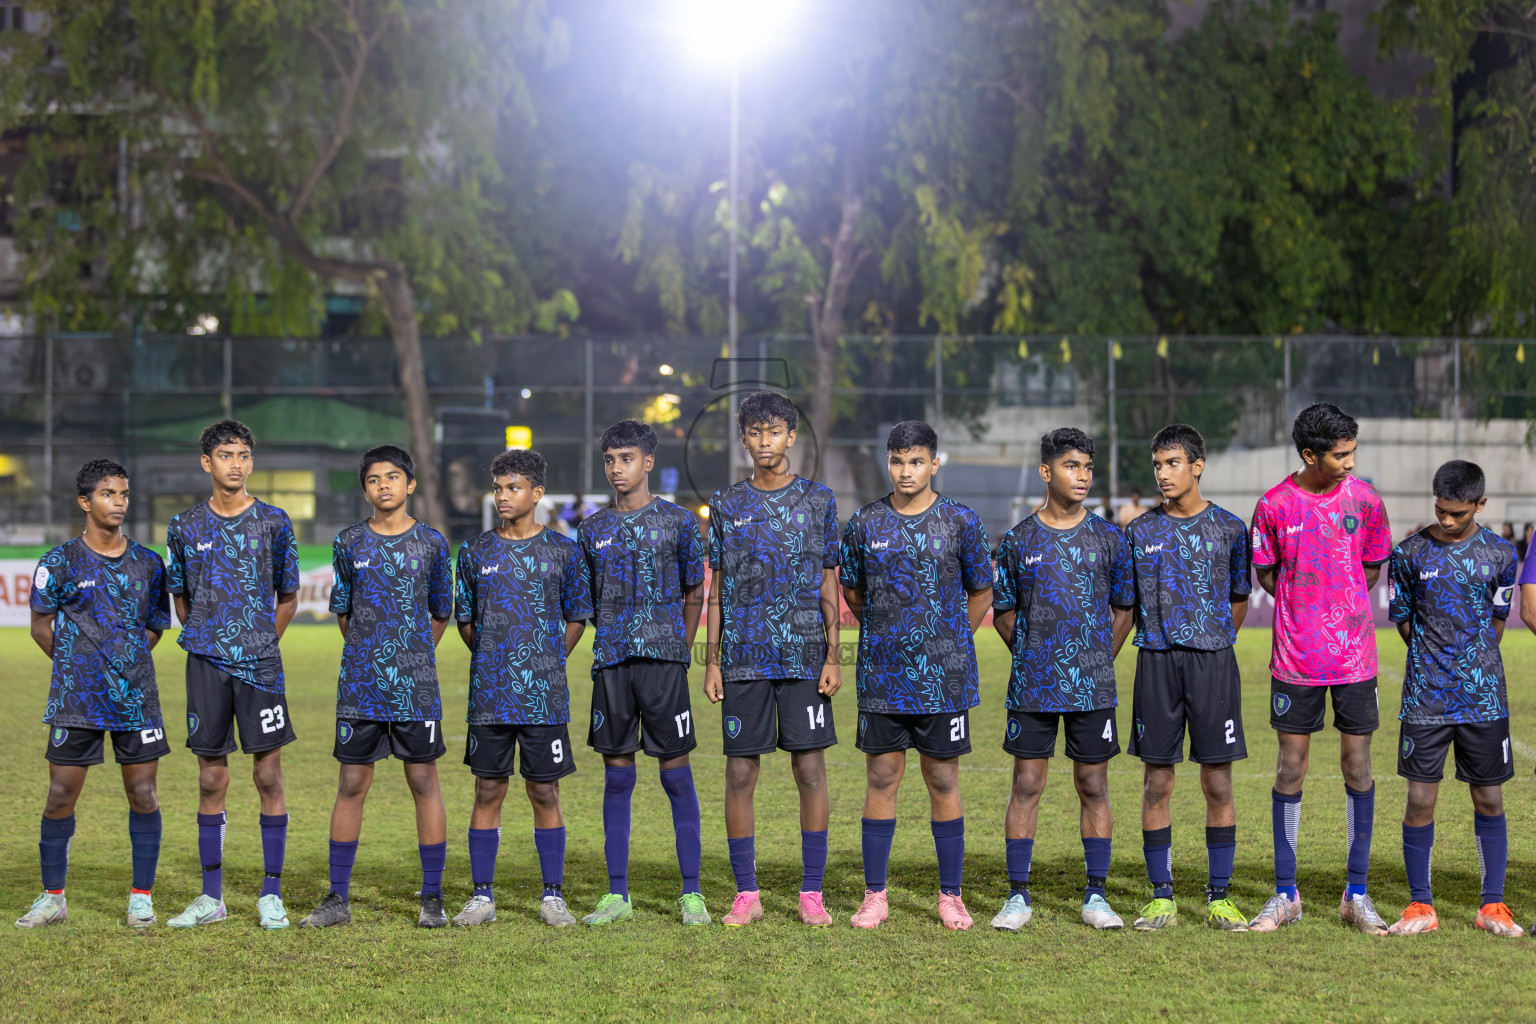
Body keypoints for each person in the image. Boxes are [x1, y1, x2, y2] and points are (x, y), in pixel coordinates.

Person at [841, 420, 993, 930]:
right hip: (882, 677)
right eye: (897, 461)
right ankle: (875, 895)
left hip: (944, 679)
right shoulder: (864, 523)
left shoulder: (961, 521)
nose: (906, 471)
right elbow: (854, 593)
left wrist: (951, 641)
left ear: (934, 463)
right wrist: (890, 633)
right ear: (889, 462)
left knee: (943, 778)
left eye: (916, 461)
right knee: (882, 776)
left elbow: (981, 590)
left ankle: (950, 895)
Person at [1247, 403, 1392, 934]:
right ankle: (1286, 894)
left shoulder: (1367, 502)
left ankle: (1357, 894)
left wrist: (1340, 607)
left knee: (1358, 767)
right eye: (1341, 454)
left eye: (1353, 451)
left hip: (1355, 658)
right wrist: (1305, 608)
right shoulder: (1273, 506)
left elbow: (1372, 564)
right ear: (1310, 455)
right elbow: (1266, 574)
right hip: (1296, 658)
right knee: (1291, 768)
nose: (1351, 463)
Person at [298, 446, 454, 929]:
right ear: (364, 488)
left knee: (424, 781)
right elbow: (343, 612)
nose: (383, 485)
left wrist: (409, 657)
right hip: (361, 687)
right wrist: (373, 655)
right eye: (373, 479)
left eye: (392, 477)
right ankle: (337, 898)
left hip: (416, 687)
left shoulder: (431, 542)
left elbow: (441, 610)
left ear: (410, 484)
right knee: (350, 783)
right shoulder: (348, 543)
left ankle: (432, 898)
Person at [703, 392, 841, 928]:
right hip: (743, 660)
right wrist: (712, 661)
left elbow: (830, 578)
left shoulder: (819, 500)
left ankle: (812, 892)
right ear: (744, 440)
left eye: (775, 431)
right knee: (741, 773)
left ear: (791, 437)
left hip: (805, 657)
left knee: (810, 769)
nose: (765, 442)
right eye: (755, 433)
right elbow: (717, 589)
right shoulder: (726, 503)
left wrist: (833, 654)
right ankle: (747, 893)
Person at [16, 460, 172, 930]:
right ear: (85, 501)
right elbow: (40, 624)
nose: (119, 502)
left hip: (135, 698)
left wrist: (122, 666)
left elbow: (155, 626)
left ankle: (141, 897)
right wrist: (76, 667)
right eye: (108, 493)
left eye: (123, 493)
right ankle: (53, 897)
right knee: (60, 795)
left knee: (143, 793)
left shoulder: (148, 563)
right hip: (75, 698)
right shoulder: (59, 561)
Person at [990, 427, 1134, 933]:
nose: (1083, 476)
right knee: (1026, 784)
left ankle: (1096, 895)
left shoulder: (1109, 537)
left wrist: (1097, 658)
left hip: (1092, 686)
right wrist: (1034, 655)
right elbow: (1003, 611)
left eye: (1089, 467)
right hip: (1032, 686)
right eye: (1073, 466)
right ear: (1047, 472)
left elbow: (1124, 608)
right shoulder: (1017, 541)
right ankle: (1017, 896)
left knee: (1093, 783)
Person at [165, 420, 301, 930]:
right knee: (210, 777)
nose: (236, 464)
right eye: (226, 455)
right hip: (205, 663)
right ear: (207, 463)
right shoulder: (184, 526)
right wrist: (207, 636)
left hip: (261, 665)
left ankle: (271, 893)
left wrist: (262, 640)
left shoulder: (274, 521)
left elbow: (288, 594)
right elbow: (180, 595)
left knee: (268, 774)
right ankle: (212, 896)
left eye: (244, 455)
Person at [451, 449, 593, 928]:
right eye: (497, 488)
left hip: (544, 696)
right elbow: (465, 620)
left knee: (545, 792)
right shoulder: (474, 552)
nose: (503, 496)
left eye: (513, 488)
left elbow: (577, 615)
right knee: (487, 789)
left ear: (536, 493)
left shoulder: (564, 552)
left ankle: (552, 895)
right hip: (490, 695)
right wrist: (494, 656)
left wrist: (550, 658)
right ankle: (482, 896)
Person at [579, 419, 709, 926]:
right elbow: (584, 600)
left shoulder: (677, 523)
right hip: (611, 664)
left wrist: (681, 646)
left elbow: (694, 592)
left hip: (663, 666)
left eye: (626, 459)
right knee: (617, 778)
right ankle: (617, 895)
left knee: (676, 777)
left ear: (648, 462)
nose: (617, 469)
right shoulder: (591, 530)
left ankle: (692, 893)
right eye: (610, 460)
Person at [1123, 425, 1252, 932]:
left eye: (1172, 463)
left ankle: (1219, 897)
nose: (1163, 473)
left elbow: (1239, 599)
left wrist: (1211, 638)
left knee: (1217, 781)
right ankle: (1161, 896)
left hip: (1213, 663)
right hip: (1156, 661)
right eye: (1157, 464)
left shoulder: (1230, 529)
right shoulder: (1139, 532)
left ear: (1197, 466)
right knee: (1157, 781)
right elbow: (1125, 602)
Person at [1385, 460, 1521, 937]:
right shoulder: (1408, 553)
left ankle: (1493, 906)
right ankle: (1420, 905)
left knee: (1489, 798)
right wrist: (1433, 659)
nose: (1446, 520)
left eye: (1458, 514)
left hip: (1484, 698)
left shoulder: (1502, 554)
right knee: (1420, 800)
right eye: (1440, 510)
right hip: (1426, 698)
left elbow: (1498, 622)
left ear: (1480, 505)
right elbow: (1402, 619)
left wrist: (1470, 661)